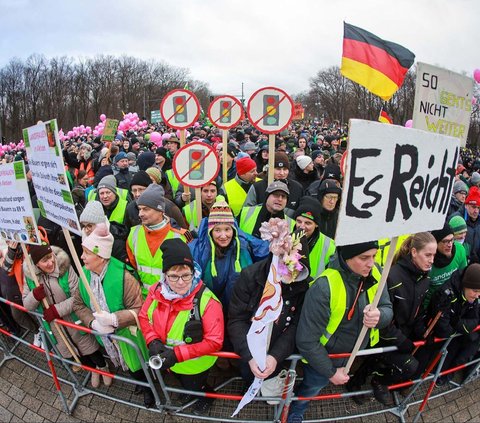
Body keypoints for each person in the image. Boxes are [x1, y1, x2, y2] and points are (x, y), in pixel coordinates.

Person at [289, 241, 393, 422]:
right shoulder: (324, 287)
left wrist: (379, 316)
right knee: (313, 386)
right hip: (323, 357)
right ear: (347, 257)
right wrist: (330, 373)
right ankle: (296, 408)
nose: (371, 263)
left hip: (351, 353)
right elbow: (306, 341)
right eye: (364, 258)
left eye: (374, 256)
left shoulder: (376, 271)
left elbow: (387, 308)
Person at [138, 238, 224, 415]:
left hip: (195, 365)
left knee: (195, 384)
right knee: (184, 382)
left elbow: (215, 341)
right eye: (173, 276)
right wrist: (152, 340)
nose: (180, 282)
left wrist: (177, 354)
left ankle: (206, 397)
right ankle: (192, 392)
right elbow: (143, 316)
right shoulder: (156, 291)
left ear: (193, 272)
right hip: (171, 362)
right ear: (164, 275)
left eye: (186, 275)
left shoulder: (207, 302)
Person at [73, 223, 152, 406]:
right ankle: (140, 383)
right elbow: (78, 303)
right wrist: (92, 323)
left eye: (87, 253)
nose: (82, 257)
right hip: (109, 338)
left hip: (128, 336)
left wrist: (115, 319)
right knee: (129, 367)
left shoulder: (125, 278)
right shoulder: (85, 274)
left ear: (101, 257)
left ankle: (149, 389)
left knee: (138, 364)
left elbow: (139, 309)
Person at [358, 233, 437, 405]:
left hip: (403, 335)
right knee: (409, 365)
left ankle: (377, 378)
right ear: (414, 252)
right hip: (384, 336)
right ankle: (361, 382)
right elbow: (382, 317)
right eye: (428, 255)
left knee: (417, 358)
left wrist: (423, 331)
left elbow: (417, 312)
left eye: (434, 255)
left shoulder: (425, 279)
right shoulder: (392, 276)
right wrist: (401, 340)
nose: (432, 260)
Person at [228, 229, 311, 390]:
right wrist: (250, 356)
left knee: (271, 380)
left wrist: (275, 357)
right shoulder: (250, 277)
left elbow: (296, 325)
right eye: (284, 263)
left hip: (278, 352)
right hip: (249, 349)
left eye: (295, 266)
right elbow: (237, 319)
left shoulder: (303, 287)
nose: (289, 271)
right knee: (248, 375)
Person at [22, 241, 108, 387]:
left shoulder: (64, 268)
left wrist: (56, 310)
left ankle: (103, 367)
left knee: (90, 349)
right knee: (75, 352)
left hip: (74, 320)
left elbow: (78, 296)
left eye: (51, 257)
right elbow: (26, 305)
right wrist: (34, 296)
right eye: (44, 261)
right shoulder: (30, 277)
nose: (50, 262)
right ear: (36, 265)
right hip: (56, 328)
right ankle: (93, 370)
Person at [189, 201, 269, 314]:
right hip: (208, 311)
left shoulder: (244, 243)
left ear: (233, 229)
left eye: (227, 229)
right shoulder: (197, 249)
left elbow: (267, 251)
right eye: (217, 230)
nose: (223, 236)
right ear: (210, 231)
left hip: (239, 311)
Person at [126, 184, 190, 298]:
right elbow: (133, 268)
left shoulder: (181, 237)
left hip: (171, 302)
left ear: (160, 210)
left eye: (146, 209)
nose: (140, 214)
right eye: (139, 209)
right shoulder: (133, 234)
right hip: (144, 301)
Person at [426, 263, 480, 385]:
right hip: (435, 338)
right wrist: (459, 327)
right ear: (465, 285)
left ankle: (446, 375)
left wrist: (456, 323)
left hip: (455, 337)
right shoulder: (445, 294)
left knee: (467, 346)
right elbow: (443, 329)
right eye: (475, 290)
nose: (477, 295)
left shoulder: (471, 297)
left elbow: (475, 319)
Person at [425, 224, 468, 308]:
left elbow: (464, 277)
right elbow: (424, 290)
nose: (450, 244)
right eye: (445, 241)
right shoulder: (428, 259)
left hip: (454, 299)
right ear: (436, 243)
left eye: (452, 240)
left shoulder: (460, 250)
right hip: (433, 303)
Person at [293, 197, 335, 280]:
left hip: (312, 289)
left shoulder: (329, 246)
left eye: (308, 223)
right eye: (299, 221)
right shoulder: (285, 235)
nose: (302, 227)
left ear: (316, 225)